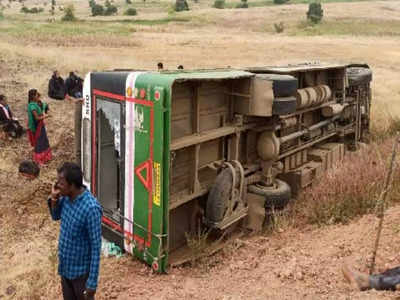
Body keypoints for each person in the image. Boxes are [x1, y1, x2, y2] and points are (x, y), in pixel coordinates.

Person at [48, 162, 102, 300]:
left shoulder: (91, 209)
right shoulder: (66, 197)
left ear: (72, 185)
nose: (57, 186)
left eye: (61, 183)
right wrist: (54, 198)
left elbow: (96, 248)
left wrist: (92, 284)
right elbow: (55, 216)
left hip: (81, 274)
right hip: (66, 268)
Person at [27, 89, 52, 164]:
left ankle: (45, 157)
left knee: (43, 140)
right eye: (36, 95)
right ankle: (40, 159)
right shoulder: (32, 106)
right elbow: (37, 118)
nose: (38, 96)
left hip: (40, 126)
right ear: (32, 96)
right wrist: (47, 116)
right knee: (40, 142)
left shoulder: (35, 103)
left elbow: (42, 105)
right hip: (37, 127)